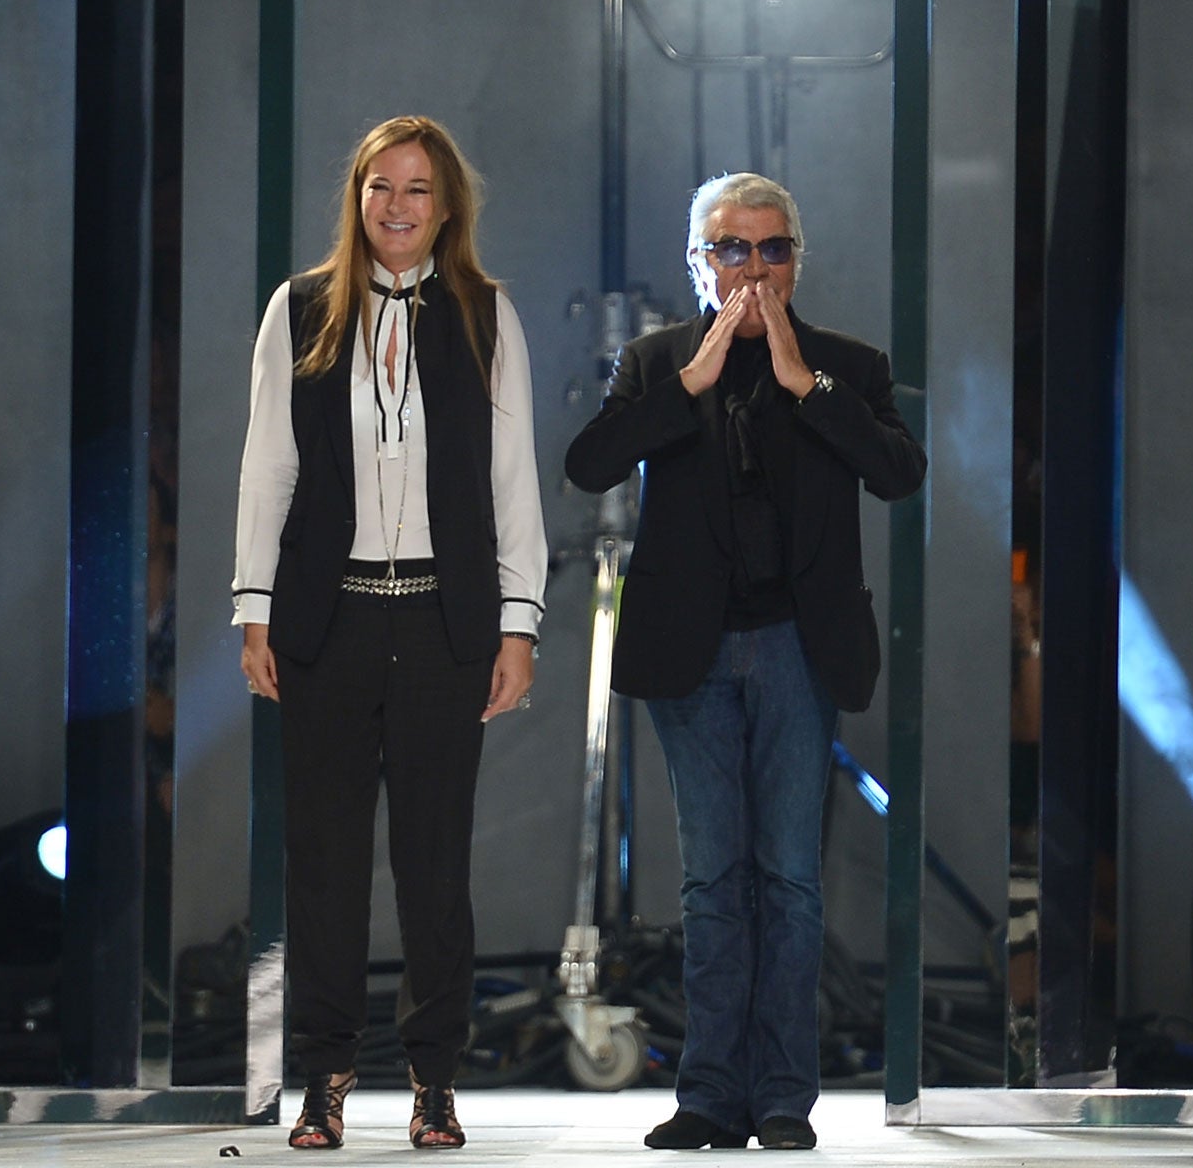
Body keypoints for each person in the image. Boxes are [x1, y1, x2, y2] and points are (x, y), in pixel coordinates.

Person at [564, 172, 926, 1151]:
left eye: (771, 250)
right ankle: (706, 1094)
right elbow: (589, 464)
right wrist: (693, 381)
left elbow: (898, 473)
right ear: (698, 263)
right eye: (731, 249)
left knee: (787, 881)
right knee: (710, 882)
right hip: (691, 651)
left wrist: (803, 380)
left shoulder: (845, 364)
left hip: (797, 650)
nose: (752, 270)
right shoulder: (656, 363)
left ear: (795, 260)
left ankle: (780, 1098)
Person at [232, 115, 547, 1151]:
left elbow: (512, 483)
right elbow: (268, 465)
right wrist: (253, 610)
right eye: (380, 187)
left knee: (432, 861)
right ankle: (322, 1079)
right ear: (356, 197)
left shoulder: (485, 314)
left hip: (444, 620)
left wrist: (518, 623)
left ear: (446, 205)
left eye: (417, 189)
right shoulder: (301, 306)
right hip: (328, 615)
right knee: (320, 861)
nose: (397, 207)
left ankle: (432, 1082)